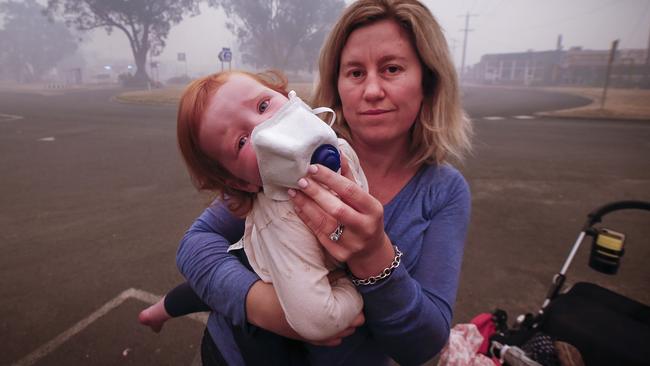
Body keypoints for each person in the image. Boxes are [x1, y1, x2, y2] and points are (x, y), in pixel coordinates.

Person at [175, 0, 472, 364]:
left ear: (428, 80)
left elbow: (424, 344)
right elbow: (194, 245)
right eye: (355, 72)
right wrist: (263, 305)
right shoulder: (283, 160)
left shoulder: (443, 191)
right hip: (235, 352)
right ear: (337, 83)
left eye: (392, 68)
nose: (373, 90)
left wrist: (373, 257)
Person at [140, 69, 367, 341]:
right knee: (202, 294)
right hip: (259, 267)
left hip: (296, 266)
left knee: (199, 292)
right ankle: (157, 312)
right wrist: (351, 289)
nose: (264, 127)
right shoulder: (281, 221)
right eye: (242, 142)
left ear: (289, 97)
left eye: (263, 105)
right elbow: (320, 321)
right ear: (240, 182)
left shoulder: (340, 147)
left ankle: (158, 311)